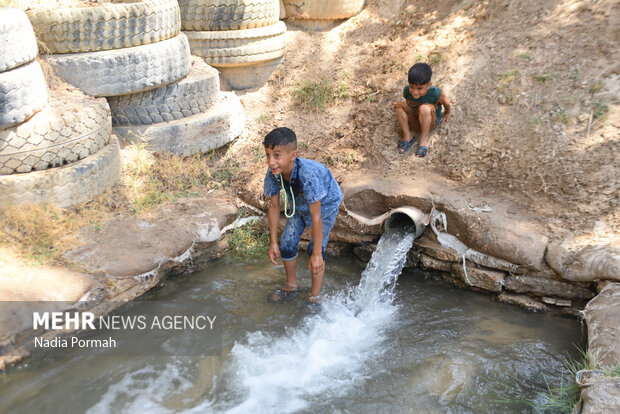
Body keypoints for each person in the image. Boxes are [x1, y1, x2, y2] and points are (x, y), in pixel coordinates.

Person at [262, 127, 343, 311]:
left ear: (293, 154)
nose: (271, 162)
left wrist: (315, 255)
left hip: (325, 205)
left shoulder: (309, 176)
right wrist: (273, 242)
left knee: (316, 249)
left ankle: (315, 296)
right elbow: (274, 206)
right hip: (300, 203)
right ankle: (292, 286)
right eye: (267, 155)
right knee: (287, 243)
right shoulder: (273, 173)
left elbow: (316, 216)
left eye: (276, 155)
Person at [394, 62, 452, 157]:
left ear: (429, 85)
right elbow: (407, 102)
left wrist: (447, 112)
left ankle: (424, 139)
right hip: (415, 119)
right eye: (412, 87)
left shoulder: (436, 93)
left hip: (429, 122)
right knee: (399, 106)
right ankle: (407, 136)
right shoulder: (406, 91)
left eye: (420, 88)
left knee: (424, 108)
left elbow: (446, 103)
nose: (415, 92)